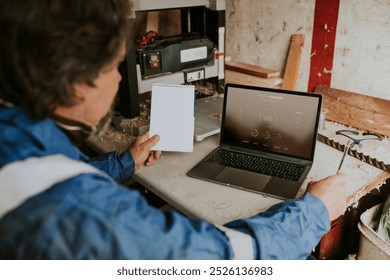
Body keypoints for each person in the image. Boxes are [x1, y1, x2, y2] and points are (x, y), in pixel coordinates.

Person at [0, 0, 347, 260]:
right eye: (113, 67)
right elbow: (225, 259)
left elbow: (55, 174)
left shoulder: (14, 138)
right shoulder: (80, 209)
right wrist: (315, 209)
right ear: (76, 81)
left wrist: (124, 163)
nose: (121, 78)